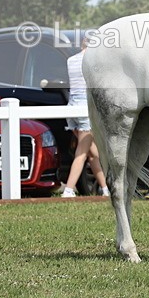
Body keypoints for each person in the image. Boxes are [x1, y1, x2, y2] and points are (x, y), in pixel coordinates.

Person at [61, 37, 109, 197]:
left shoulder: (71, 60)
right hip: (85, 108)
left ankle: (106, 188)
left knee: (92, 152)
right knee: (82, 151)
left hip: (72, 106)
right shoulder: (93, 62)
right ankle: (68, 189)